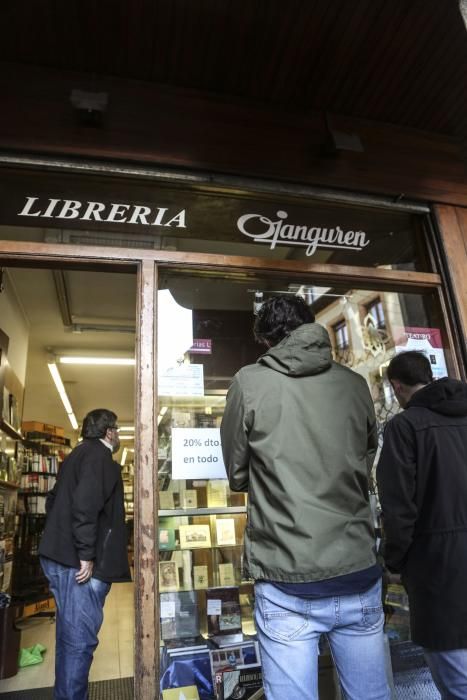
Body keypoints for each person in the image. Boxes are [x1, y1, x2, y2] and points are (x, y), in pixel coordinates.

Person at [220, 295, 391, 700]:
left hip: (286, 578)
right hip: (357, 570)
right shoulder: (353, 384)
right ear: (311, 326)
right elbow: (365, 461)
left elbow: (237, 474)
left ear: (267, 340)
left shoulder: (249, 382)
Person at [377, 351, 467, 699]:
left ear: (396, 387)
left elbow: (398, 505)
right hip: (446, 559)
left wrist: (394, 561)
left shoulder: (404, 427)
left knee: (455, 679)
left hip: (437, 566)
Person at [39, 408, 131, 700]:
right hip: (78, 564)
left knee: (68, 639)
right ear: (109, 432)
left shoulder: (76, 456)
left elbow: (52, 501)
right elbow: (85, 507)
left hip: (58, 557)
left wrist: (63, 539)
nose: (117, 436)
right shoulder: (100, 458)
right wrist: (85, 554)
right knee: (78, 643)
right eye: (116, 430)